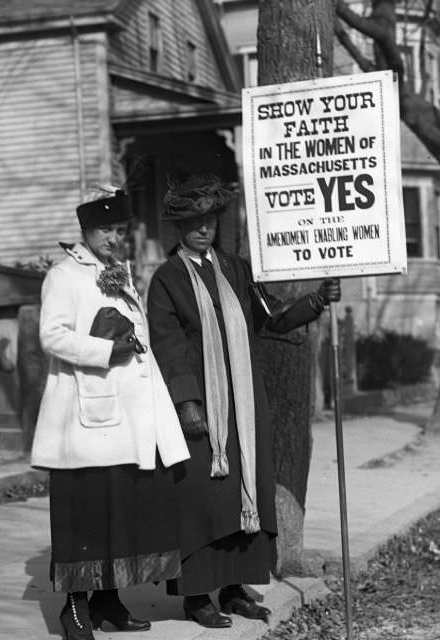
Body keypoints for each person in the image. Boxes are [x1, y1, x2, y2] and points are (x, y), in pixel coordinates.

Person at [146, 175, 341, 629]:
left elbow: (269, 319)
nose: (203, 229)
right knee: (202, 500)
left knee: (243, 493)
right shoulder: (167, 280)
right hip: (199, 409)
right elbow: (168, 346)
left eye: (209, 220)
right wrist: (187, 403)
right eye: (194, 222)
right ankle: (196, 597)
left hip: (245, 405)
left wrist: (314, 301)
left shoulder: (233, 268)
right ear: (179, 227)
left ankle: (234, 589)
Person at [30, 187, 190, 639]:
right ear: (85, 230)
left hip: (129, 418)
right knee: (86, 514)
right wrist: (106, 349)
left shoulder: (117, 272)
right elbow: (53, 337)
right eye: (105, 229)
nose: (114, 238)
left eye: (119, 229)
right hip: (88, 419)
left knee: (122, 513)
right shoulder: (64, 275)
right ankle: (75, 609)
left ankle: (108, 602)